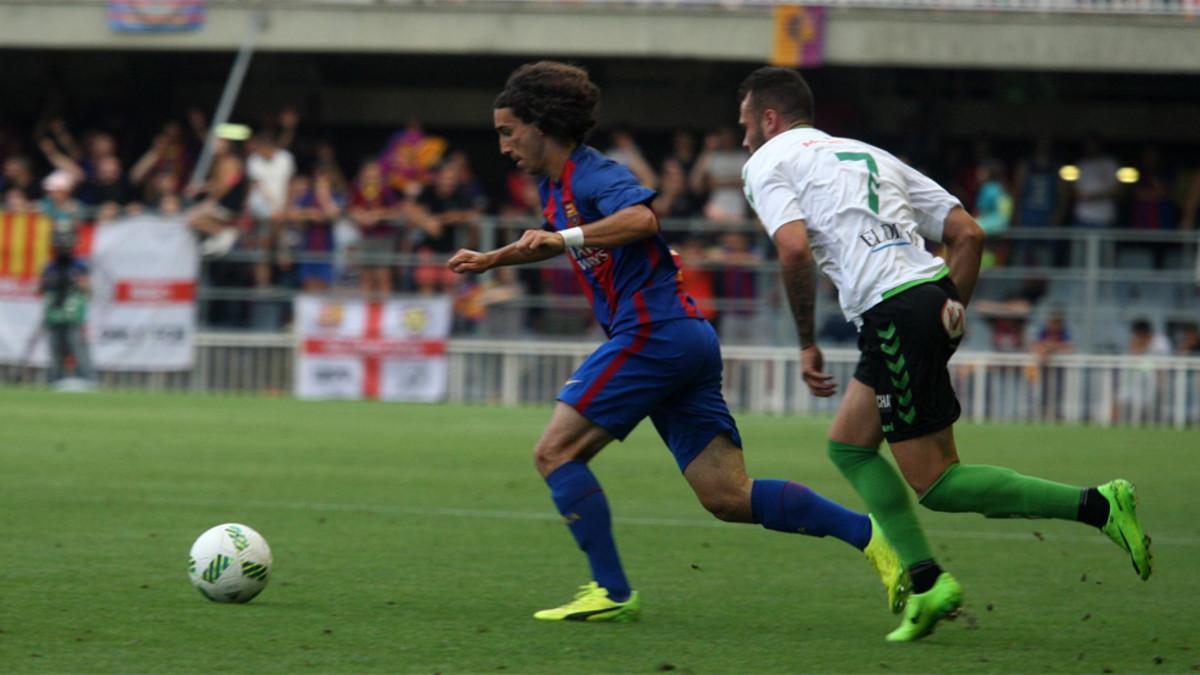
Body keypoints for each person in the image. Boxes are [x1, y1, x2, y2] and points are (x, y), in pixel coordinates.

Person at [448, 61, 907, 625]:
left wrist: (564, 236)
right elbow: (557, 241)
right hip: (682, 339)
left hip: (653, 333)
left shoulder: (592, 174)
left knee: (554, 452)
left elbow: (640, 220)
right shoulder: (555, 187)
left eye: (507, 131)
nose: (503, 146)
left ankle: (611, 591)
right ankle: (875, 538)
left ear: (540, 125)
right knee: (727, 496)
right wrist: (495, 258)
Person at [735, 67, 1152, 642]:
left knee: (937, 483)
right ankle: (928, 583)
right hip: (925, 299)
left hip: (891, 311)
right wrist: (951, 307)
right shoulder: (868, 154)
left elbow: (792, 250)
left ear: (770, 119)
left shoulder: (766, 162)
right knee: (850, 446)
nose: (743, 138)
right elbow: (970, 234)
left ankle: (1099, 505)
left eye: (745, 125)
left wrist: (806, 340)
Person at [38, 225, 95, 385]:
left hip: (73, 313)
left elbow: (89, 291)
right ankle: (55, 380)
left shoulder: (79, 265)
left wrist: (77, 283)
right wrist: (50, 282)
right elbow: (41, 289)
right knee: (55, 349)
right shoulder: (50, 266)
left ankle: (88, 379)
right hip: (55, 313)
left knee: (77, 346)